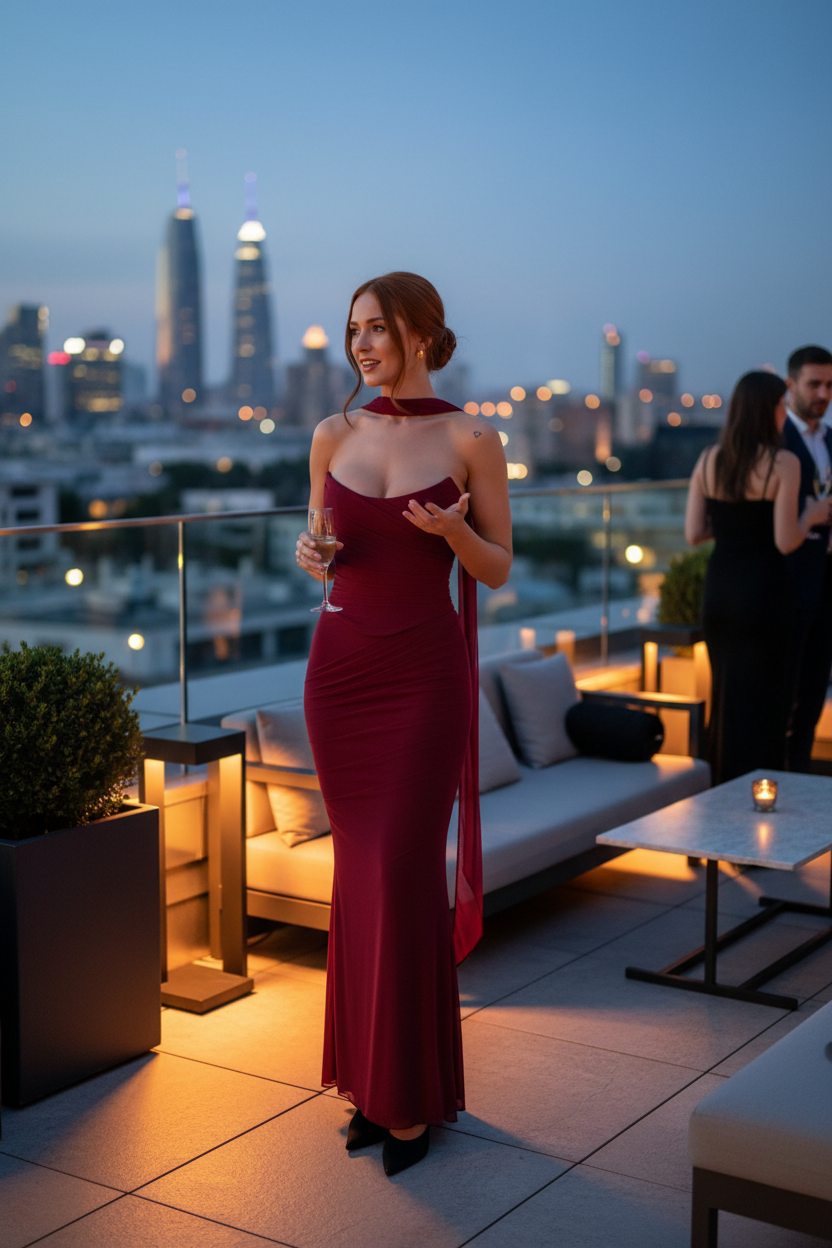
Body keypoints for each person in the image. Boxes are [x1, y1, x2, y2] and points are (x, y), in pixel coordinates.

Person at [295, 272, 512, 1176]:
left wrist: (454, 535)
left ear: (421, 333)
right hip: (339, 677)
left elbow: (497, 567)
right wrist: (312, 555)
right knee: (358, 876)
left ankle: (410, 1095)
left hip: (423, 679)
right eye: (354, 330)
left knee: (403, 873)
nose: (361, 345)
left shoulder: (473, 438)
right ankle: (366, 1084)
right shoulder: (331, 433)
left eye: (377, 328)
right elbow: (322, 547)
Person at [685, 370, 831, 784]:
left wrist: (734, 528)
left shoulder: (709, 459)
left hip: (720, 592)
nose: (784, 413)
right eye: (781, 406)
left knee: (726, 695)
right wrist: (811, 515)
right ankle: (761, 793)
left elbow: (694, 533)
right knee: (767, 701)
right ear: (767, 410)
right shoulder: (783, 463)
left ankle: (720, 791)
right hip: (764, 592)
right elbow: (786, 541)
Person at [781, 345, 832, 771]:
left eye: (830, 385)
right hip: (789, 581)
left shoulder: (829, 439)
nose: (823, 394)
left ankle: (799, 775)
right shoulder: (778, 440)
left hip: (826, 580)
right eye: (814, 384)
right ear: (791, 385)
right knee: (785, 689)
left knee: (815, 688)